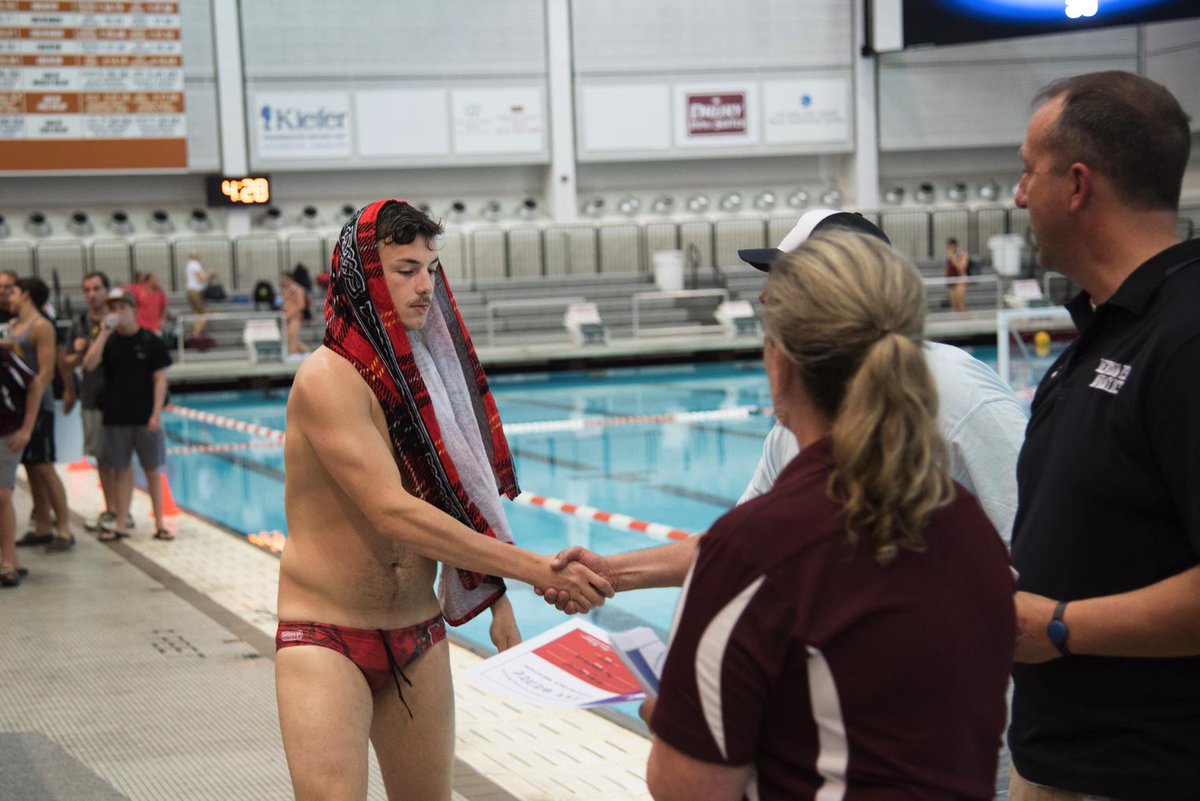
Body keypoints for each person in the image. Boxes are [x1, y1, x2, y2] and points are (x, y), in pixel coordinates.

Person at [645, 231, 1015, 800]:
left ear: (780, 363)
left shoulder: (751, 553)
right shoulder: (967, 526)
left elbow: (687, 788)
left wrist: (673, 722)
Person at [275, 199, 612, 801]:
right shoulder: (328, 380)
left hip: (416, 633)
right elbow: (394, 511)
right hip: (326, 635)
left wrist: (496, 596)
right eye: (405, 270)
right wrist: (535, 569)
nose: (425, 285)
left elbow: (456, 491)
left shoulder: (424, 379)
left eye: (431, 268)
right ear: (366, 277)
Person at [542, 209, 1027, 606]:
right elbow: (736, 547)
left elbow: (1034, 546)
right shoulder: (799, 416)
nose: (763, 295)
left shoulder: (958, 391)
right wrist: (613, 573)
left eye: (782, 277)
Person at [1007, 71, 1199, 800]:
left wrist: (1059, 625)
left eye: (1029, 172)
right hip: (1064, 759)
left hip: (1147, 769)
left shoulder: (1186, 339)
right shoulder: (1109, 328)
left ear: (1077, 184)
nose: (1020, 195)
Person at [82, 289, 172, 541]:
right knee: (120, 471)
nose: (118, 313)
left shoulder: (151, 341)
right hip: (116, 417)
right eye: (114, 308)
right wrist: (103, 333)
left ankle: (160, 524)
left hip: (145, 417)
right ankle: (121, 524)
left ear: (134, 310)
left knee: (152, 470)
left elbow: (160, 380)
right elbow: (89, 364)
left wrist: (156, 414)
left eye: (122, 307)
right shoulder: (107, 341)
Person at [7, 277, 73, 552]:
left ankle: (65, 529)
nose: (8, 296)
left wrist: (32, 400)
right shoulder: (13, 326)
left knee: (45, 465)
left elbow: (46, 371)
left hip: (39, 405)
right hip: (18, 406)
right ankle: (43, 525)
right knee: (31, 466)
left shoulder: (42, 326)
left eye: (13, 292)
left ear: (26, 295)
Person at [65, 271, 122, 533]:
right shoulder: (79, 324)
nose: (91, 294)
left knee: (119, 457)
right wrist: (76, 353)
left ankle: (120, 510)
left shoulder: (119, 322)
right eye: (87, 289)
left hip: (118, 399)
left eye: (97, 288)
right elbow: (67, 362)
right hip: (91, 396)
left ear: (107, 291)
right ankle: (110, 508)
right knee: (100, 455)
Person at [0, 350, 45, 587]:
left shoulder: (4, 356)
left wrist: (26, 429)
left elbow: (35, 384)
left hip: (7, 433)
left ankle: (8, 561)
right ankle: (12, 560)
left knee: (2, 496)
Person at [127, 271, 169, 335]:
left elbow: (164, 306)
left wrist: (163, 319)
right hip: (141, 325)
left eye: (157, 280)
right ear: (148, 280)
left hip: (155, 326)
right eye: (154, 279)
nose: (156, 281)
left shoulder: (159, 292)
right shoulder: (138, 290)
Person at [280, 268, 308, 358]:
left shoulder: (297, 290)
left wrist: (290, 315)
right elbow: (286, 304)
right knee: (289, 340)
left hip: (295, 318)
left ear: (289, 279)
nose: (282, 282)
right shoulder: (287, 290)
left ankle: (295, 359)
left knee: (293, 342)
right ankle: (308, 355)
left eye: (284, 279)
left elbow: (301, 305)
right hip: (287, 318)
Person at [184, 251, 210, 339]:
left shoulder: (189, 265)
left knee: (196, 313)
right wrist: (210, 273)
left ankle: (196, 331)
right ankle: (196, 333)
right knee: (203, 313)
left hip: (191, 291)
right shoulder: (195, 264)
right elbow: (201, 278)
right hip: (195, 292)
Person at [945, 237, 970, 312]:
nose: (949, 248)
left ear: (954, 246)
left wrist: (952, 258)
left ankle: (971, 320)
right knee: (954, 304)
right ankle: (959, 320)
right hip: (951, 281)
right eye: (948, 247)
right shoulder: (949, 255)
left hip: (960, 281)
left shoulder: (962, 254)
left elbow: (962, 267)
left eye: (950, 246)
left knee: (960, 305)